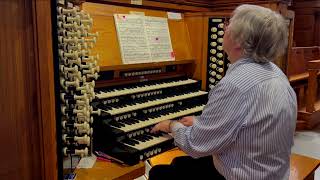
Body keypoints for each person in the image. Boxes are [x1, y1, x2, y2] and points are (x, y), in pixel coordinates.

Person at [149, 4, 297, 180]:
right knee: (180, 164)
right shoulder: (276, 73)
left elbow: (195, 145)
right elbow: (248, 124)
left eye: (228, 24)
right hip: (271, 172)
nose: (224, 27)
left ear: (239, 40)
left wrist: (171, 125)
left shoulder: (235, 85)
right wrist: (200, 123)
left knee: (158, 173)